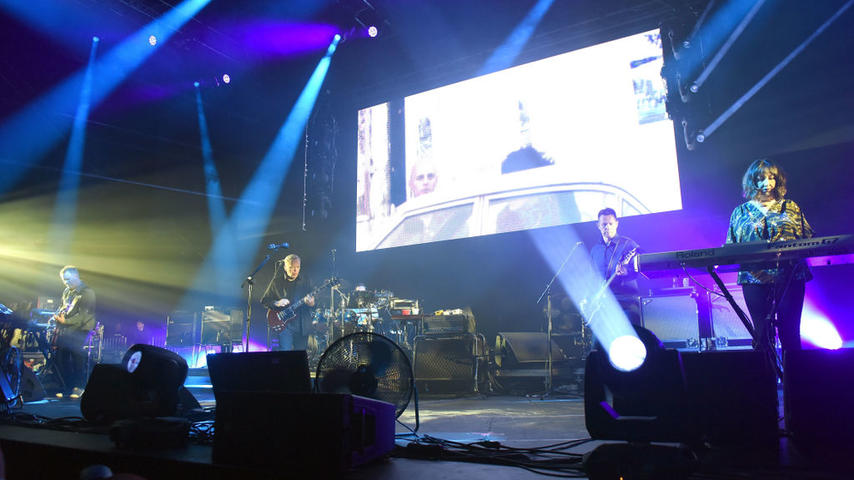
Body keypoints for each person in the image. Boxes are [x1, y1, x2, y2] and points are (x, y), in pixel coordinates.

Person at [726, 158, 812, 354]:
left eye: (771, 178)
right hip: (753, 278)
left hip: (789, 276)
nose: (767, 183)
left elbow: (807, 238)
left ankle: (794, 382)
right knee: (762, 335)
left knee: (790, 333)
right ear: (752, 182)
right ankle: (766, 382)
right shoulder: (740, 212)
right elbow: (731, 248)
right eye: (761, 178)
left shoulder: (790, 206)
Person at [588, 208, 641, 325]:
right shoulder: (595, 250)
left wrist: (626, 272)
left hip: (626, 301)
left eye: (610, 224)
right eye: (604, 224)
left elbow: (641, 271)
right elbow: (592, 277)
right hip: (603, 304)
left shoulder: (629, 245)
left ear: (616, 224)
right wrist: (588, 298)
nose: (607, 227)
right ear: (598, 226)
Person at [54, 265, 96, 398]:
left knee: (76, 356)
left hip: (81, 328)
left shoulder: (87, 292)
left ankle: (80, 387)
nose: (66, 282)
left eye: (68, 279)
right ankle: (67, 386)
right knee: (61, 357)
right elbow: (62, 306)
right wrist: (56, 316)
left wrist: (65, 322)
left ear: (76, 276)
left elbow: (83, 315)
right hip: (67, 327)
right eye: (64, 280)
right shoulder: (67, 291)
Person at [260, 254, 316, 351]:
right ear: (285, 267)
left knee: (300, 357)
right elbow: (264, 300)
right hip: (285, 326)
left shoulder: (306, 281)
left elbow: (315, 303)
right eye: (291, 267)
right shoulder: (276, 282)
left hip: (302, 326)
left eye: (297, 267)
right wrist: (276, 303)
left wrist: (312, 303)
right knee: (285, 355)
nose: (294, 270)